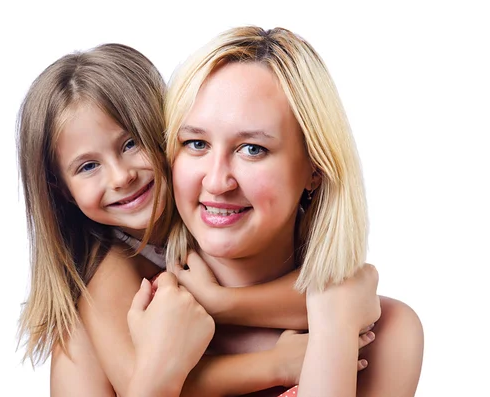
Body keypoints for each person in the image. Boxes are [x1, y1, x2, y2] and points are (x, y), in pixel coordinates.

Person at [16, 43, 374, 396]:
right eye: (88, 166)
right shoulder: (108, 271)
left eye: (130, 144)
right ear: (61, 189)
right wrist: (276, 364)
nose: (120, 177)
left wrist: (220, 302)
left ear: (165, 134)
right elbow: (142, 381)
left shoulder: (208, 229)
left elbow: (324, 298)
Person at [164, 25, 424, 396]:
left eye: (252, 148)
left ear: (315, 169)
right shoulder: (113, 311)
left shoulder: (386, 335)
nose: (217, 181)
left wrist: (333, 320)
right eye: (195, 143)